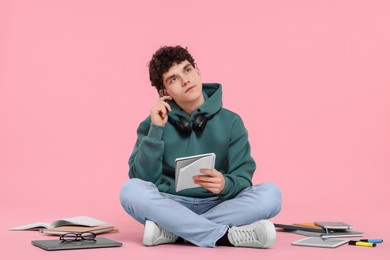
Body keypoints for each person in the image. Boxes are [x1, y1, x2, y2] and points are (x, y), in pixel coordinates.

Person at [120, 45, 282, 248]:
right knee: (130, 191)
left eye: (187, 70)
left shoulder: (232, 121)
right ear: (164, 91)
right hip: (170, 203)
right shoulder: (154, 122)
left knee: (271, 194)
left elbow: (243, 178)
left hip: (218, 203)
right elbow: (143, 179)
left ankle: (175, 231)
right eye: (173, 79)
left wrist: (225, 184)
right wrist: (156, 130)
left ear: (197, 71)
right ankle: (224, 236)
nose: (185, 80)